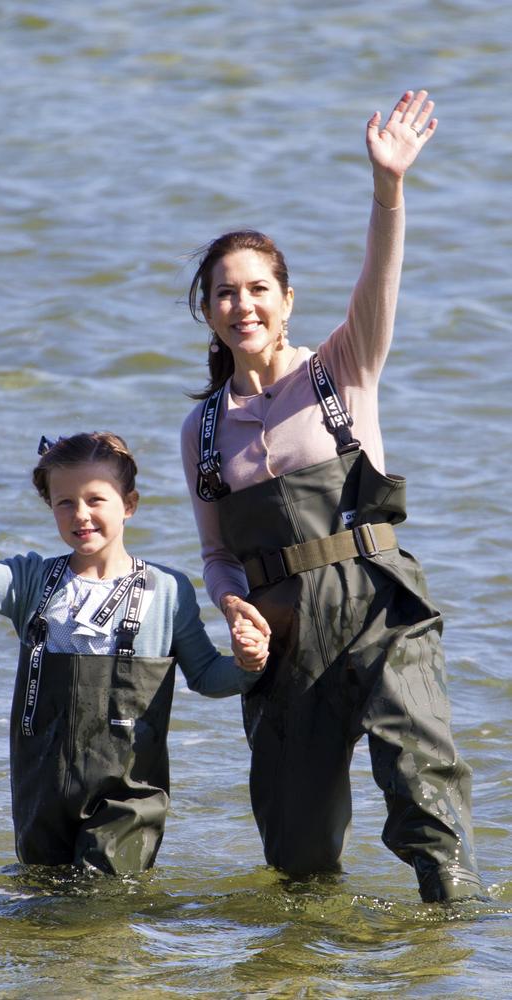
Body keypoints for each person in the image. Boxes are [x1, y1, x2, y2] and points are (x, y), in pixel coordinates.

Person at [180, 90, 483, 903]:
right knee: (297, 853)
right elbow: (216, 554)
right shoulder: (204, 428)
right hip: (283, 631)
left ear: (285, 300)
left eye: (256, 289)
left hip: (380, 601)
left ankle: (456, 951)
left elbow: (381, 273)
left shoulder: (343, 367)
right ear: (208, 313)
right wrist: (233, 610)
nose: (242, 305)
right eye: (224, 293)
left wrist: (388, 187)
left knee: (423, 790)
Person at [0, 431, 268, 874]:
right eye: (64, 502)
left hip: (128, 797)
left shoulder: (166, 591)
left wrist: (247, 664)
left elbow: (206, 675)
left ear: (129, 504)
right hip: (41, 790)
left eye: (95, 500)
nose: (80, 515)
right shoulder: (31, 581)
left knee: (103, 906)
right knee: (43, 909)